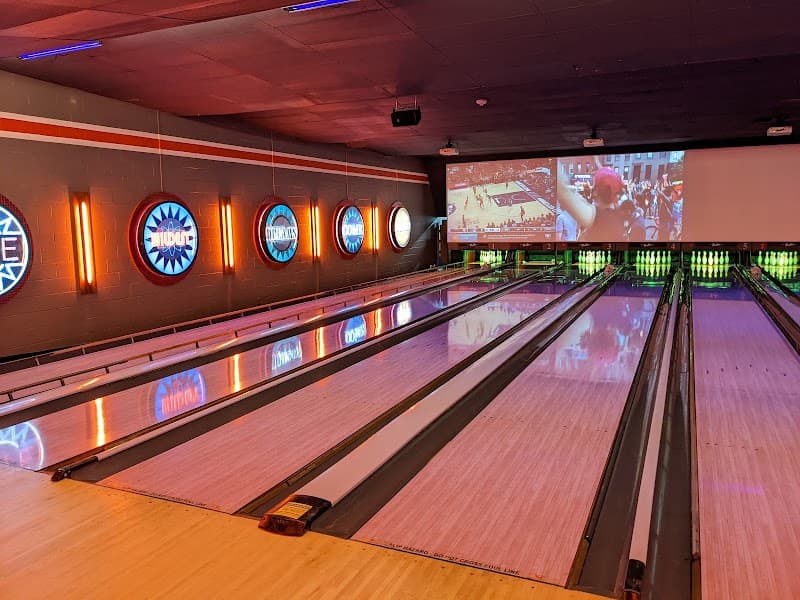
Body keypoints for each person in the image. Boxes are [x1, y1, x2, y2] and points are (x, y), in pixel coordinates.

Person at [557, 164, 628, 240]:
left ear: (596, 191)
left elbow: (563, 193)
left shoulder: (600, 218)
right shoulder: (618, 216)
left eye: (593, 185)